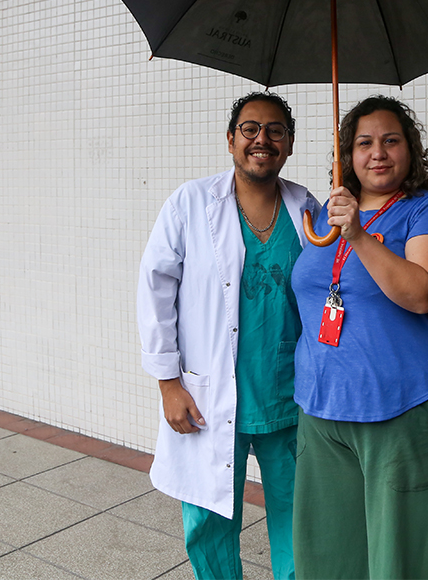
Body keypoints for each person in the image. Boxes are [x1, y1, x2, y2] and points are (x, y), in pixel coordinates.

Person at [136, 91, 320, 580]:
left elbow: (331, 286)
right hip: (209, 394)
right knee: (208, 522)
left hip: (288, 395)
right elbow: (154, 290)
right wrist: (168, 383)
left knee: (301, 521)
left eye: (276, 130)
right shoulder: (191, 203)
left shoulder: (306, 207)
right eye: (250, 129)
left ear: (290, 143)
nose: (263, 139)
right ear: (231, 139)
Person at [290, 95, 428, 580]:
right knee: (331, 555)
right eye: (364, 143)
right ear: (347, 154)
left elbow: (423, 293)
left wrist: (359, 237)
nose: (378, 153)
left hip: (401, 406)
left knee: (406, 558)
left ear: (410, 150)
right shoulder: (326, 215)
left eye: (391, 141)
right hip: (321, 406)